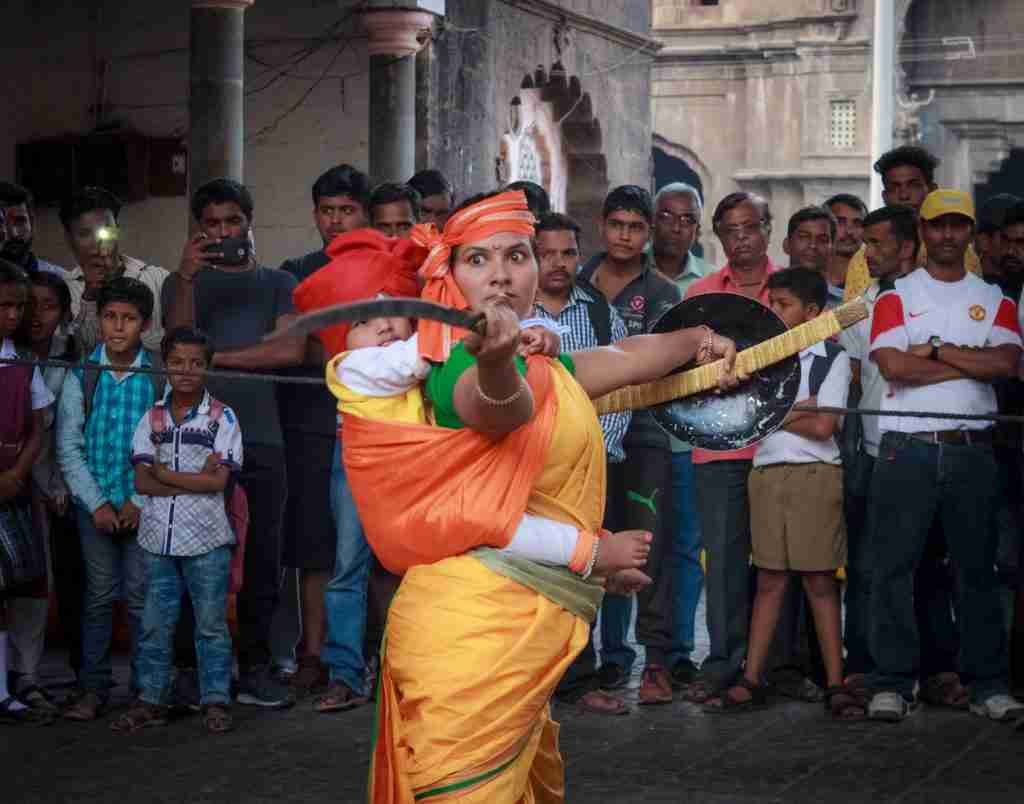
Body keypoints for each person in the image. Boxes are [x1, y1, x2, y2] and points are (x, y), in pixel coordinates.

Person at [334, 189, 740, 801]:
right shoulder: (453, 369)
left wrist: (702, 340)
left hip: (510, 642)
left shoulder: (544, 364)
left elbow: (627, 357)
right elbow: (500, 411)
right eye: (477, 260)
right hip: (468, 641)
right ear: (449, 277)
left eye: (515, 255)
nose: (500, 274)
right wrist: (495, 361)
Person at [866, 189, 1024, 723]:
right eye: (938, 226)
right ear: (924, 233)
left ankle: (989, 686)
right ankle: (892, 682)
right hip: (906, 448)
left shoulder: (997, 296)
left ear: (971, 233)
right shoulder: (895, 294)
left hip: (970, 450)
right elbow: (893, 366)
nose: (948, 236)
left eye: (958, 226)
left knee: (976, 571)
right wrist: (967, 361)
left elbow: (1005, 364)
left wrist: (932, 350)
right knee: (894, 570)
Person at [163, 178, 305, 709]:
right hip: (192, 440)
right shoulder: (182, 284)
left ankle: (258, 667)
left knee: (264, 554)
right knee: (192, 554)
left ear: (249, 222)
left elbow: (290, 351)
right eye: (212, 224)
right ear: (199, 230)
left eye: (232, 222)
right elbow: (177, 350)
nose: (223, 232)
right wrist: (184, 277)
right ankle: (191, 670)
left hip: (261, 434)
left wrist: (214, 359)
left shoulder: (278, 281)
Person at [704, 267, 861, 719]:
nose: (773, 311)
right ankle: (751, 678)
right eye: (772, 303)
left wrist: (775, 410)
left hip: (816, 475)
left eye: (783, 304)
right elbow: (749, 416)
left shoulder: (832, 359)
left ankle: (835, 681)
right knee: (770, 579)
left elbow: (823, 426)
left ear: (813, 313)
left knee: (819, 581)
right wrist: (797, 408)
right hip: (768, 474)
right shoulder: (757, 359)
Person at [578, 185, 682, 704]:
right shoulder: (578, 283)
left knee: (648, 546)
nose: (624, 235)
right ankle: (590, 662)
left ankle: (656, 662)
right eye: (616, 224)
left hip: (644, 435)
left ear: (648, 234)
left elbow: (668, 360)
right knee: (588, 545)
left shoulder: (664, 293)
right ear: (602, 226)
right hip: (581, 435)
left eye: (635, 227)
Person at [110, 327, 242, 735]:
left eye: (195, 364)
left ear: (208, 367)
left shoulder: (223, 417)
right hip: (157, 539)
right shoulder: (152, 416)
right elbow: (143, 484)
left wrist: (164, 471)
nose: (186, 371)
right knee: (154, 623)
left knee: (210, 625)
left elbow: (218, 483)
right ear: (165, 365)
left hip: (207, 539)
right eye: (177, 362)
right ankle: (150, 699)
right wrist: (187, 477)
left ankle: (216, 700)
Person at [531, 212, 636, 715]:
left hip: (589, 472)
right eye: (546, 253)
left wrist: (593, 452)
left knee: (583, 572)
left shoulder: (598, 314)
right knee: (528, 571)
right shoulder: (512, 314)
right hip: (528, 472)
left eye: (567, 253)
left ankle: (579, 678)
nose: (558, 263)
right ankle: (528, 679)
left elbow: (622, 391)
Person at [682, 191, 781, 704]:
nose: (742, 239)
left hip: (782, 445)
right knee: (721, 559)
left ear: (767, 227)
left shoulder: (786, 292)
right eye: (731, 230)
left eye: (751, 227)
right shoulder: (701, 295)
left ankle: (776, 666)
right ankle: (722, 663)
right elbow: (682, 369)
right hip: (718, 445)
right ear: (718, 236)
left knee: (780, 562)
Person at [277, 164, 371, 696]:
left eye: (346, 210)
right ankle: (314, 654)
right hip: (313, 423)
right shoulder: (298, 271)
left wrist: (330, 346)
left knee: (365, 553)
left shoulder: (387, 270)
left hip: (375, 425)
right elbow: (295, 343)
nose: (336, 221)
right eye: (327, 211)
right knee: (316, 546)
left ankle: (366, 659)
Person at [56, 277, 160, 722]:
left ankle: (145, 690)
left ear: (146, 325)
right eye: (110, 317)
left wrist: (138, 499)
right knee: (98, 596)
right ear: (98, 321)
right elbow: (68, 445)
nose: (118, 328)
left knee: (140, 598)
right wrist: (96, 503)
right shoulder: (83, 374)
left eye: (129, 319)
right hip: (93, 508)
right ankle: (93, 687)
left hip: (144, 506)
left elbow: (166, 443)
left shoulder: (158, 374)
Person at [647, 182, 712, 688]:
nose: (676, 227)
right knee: (632, 546)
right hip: (638, 435)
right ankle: (620, 652)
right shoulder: (627, 277)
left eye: (686, 219)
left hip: (689, 437)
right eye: (666, 217)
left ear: (697, 225)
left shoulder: (708, 283)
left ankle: (680, 651)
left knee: (686, 550)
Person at [6, 271, 79, 716]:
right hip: (15, 483)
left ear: (64, 314)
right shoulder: (9, 357)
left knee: (39, 585)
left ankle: (29, 675)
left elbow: (57, 435)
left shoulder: (74, 361)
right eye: (26, 305)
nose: (34, 316)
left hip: (52, 486)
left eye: (48, 306)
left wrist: (54, 487)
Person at [0, 260, 53, 725]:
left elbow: (38, 429)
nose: (13, 315)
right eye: (5, 306)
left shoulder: (24, 363)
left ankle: (16, 682)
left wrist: (17, 471)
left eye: (19, 306)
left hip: (15, 488)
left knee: (21, 585)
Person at [844, 145, 981, 300]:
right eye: (894, 187)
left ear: (932, 190)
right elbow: (852, 319)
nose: (903, 195)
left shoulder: (958, 251)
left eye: (914, 185)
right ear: (884, 196)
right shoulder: (863, 258)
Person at [60, 187, 168, 354]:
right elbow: (81, 354)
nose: (97, 242)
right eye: (85, 234)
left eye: (105, 231)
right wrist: (90, 297)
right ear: (69, 240)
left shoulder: (157, 278)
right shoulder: (62, 292)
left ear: (117, 229)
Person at [0, 182, 65, 277]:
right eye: (1, 223)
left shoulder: (62, 282)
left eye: (20, 221)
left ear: (32, 223)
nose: (13, 233)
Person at [783, 206, 839, 304]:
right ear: (786, 245)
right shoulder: (764, 298)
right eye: (804, 237)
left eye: (822, 240)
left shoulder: (849, 304)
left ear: (833, 250)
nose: (813, 245)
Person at [825, 193, 867, 295]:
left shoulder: (874, 284)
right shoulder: (806, 279)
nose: (849, 231)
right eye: (840, 222)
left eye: (857, 223)